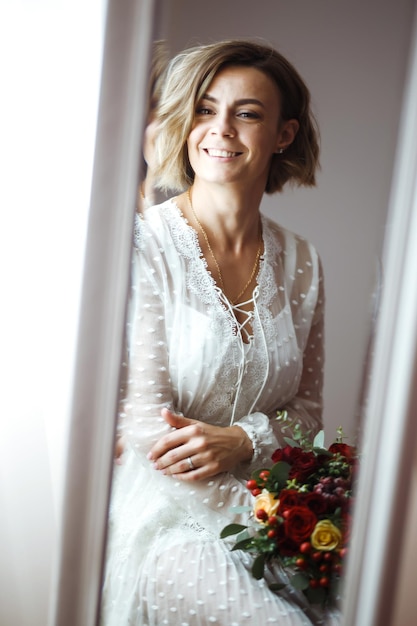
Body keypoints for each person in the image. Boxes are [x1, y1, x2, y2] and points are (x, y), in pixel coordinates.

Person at [101, 39, 340, 626]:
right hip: (165, 520)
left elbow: (307, 411)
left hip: (274, 514)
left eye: (248, 113)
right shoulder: (142, 247)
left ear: (283, 134)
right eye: (206, 109)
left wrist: (244, 441)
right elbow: (145, 427)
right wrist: (266, 525)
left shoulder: (303, 260)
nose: (221, 129)